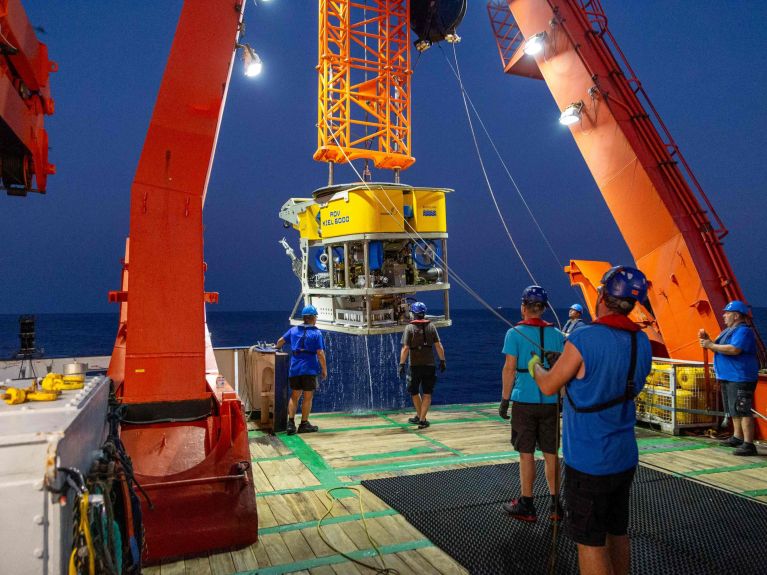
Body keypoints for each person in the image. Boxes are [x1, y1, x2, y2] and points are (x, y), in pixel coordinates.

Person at [527, 266, 652, 575]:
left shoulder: (585, 336)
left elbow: (548, 384)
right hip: (624, 457)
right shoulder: (642, 342)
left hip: (589, 461)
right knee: (616, 531)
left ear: (602, 296)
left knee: (589, 540)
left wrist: (535, 367)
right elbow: (609, 378)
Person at [499, 285, 565, 522]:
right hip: (551, 401)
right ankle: (556, 506)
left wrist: (505, 400)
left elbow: (509, 369)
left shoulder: (514, 334)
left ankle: (527, 504)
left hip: (524, 401)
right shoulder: (558, 336)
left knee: (526, 453)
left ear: (524, 307)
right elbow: (563, 371)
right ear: (544, 309)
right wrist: (562, 399)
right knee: (551, 453)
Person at [699, 300, 760, 456]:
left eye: (727, 313)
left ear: (736, 315)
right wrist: (709, 341)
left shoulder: (743, 331)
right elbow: (721, 347)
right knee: (733, 408)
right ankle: (737, 437)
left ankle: (748, 443)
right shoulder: (729, 331)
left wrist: (710, 345)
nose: (724, 315)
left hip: (740, 377)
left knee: (742, 409)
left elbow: (734, 349)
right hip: (729, 376)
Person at [275, 305, 328, 435]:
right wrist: (324, 369)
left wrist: (277, 348)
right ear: (313, 318)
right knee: (308, 397)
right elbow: (320, 353)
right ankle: (304, 424)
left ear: (304, 318)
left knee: (294, 395)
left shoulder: (293, 331)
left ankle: (290, 424)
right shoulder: (316, 333)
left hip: (295, 369)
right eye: (315, 317)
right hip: (309, 369)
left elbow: (280, 341)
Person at [399, 302, 446, 429]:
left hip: (414, 366)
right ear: (424, 313)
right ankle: (421, 418)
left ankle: (421, 417)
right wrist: (442, 360)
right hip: (429, 365)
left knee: (414, 392)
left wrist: (401, 364)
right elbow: (438, 345)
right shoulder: (431, 326)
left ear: (413, 313)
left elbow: (405, 348)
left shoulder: (409, 328)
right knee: (427, 393)